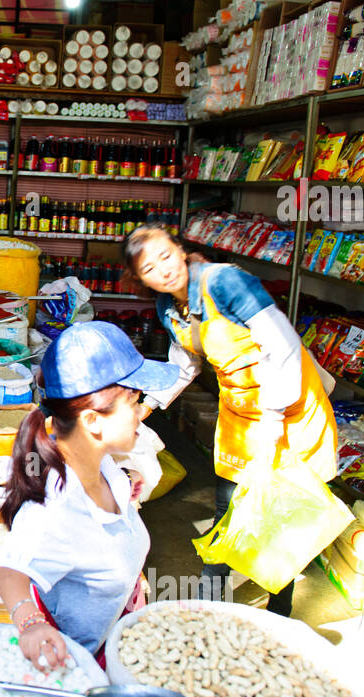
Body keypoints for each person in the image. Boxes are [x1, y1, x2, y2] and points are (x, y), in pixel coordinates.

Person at [122, 224, 338, 616]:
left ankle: (278, 613)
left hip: (290, 408)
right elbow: (185, 363)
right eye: (149, 268)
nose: (163, 270)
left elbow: (283, 345)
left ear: (180, 249)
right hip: (240, 412)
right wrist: (145, 406)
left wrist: (273, 420)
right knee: (228, 508)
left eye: (166, 256)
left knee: (278, 512)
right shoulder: (168, 306)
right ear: (140, 279)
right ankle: (209, 608)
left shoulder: (225, 283)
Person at [0, 321, 180, 672]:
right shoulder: (57, 507)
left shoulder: (106, 468)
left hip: (112, 650)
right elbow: (9, 570)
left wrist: (126, 493)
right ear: (93, 420)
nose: (142, 413)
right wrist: (31, 624)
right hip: (73, 669)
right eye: (134, 401)